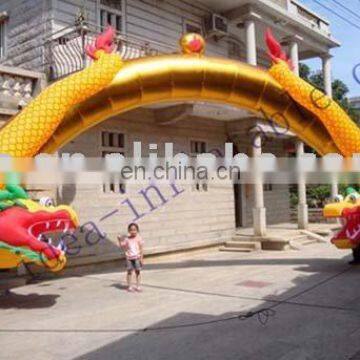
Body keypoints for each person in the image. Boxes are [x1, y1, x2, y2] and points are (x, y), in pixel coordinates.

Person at [118, 223, 144, 292]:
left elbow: (141, 249)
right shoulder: (127, 239)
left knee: (137, 272)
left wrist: (141, 258)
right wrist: (119, 239)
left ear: (137, 230)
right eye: (131, 230)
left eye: (135, 230)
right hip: (129, 258)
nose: (133, 231)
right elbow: (122, 246)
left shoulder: (139, 238)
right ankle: (129, 286)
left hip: (137, 258)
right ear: (129, 231)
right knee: (129, 272)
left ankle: (138, 286)